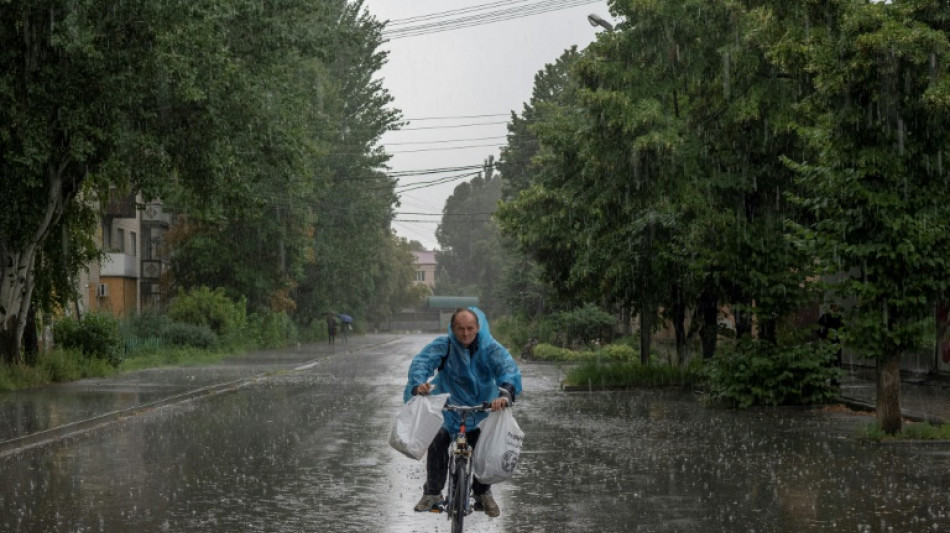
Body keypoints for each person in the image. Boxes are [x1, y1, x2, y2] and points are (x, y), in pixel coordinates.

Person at [404, 307, 522, 518]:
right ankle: (432, 492)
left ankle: (482, 492)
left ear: (478, 327)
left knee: (485, 446)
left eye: (470, 329)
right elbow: (422, 362)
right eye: (460, 329)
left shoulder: (490, 348)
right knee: (437, 439)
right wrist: (419, 384)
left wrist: (505, 394)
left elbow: (508, 368)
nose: (465, 334)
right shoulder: (445, 345)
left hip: (481, 409)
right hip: (449, 408)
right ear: (452, 328)